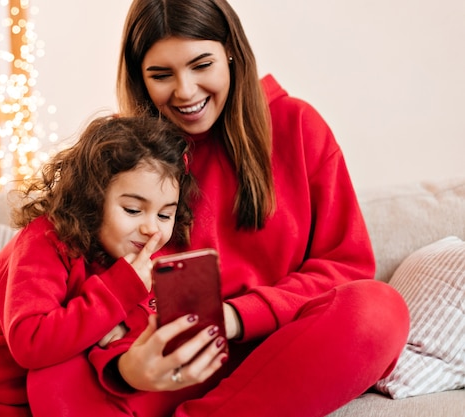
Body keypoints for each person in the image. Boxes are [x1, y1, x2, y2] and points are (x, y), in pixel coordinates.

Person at [26, 1, 410, 416]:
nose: (186, 91)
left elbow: (345, 268)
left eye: (201, 64)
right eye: (160, 74)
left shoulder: (297, 126)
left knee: (379, 311)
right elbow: (91, 276)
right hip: (164, 359)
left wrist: (233, 317)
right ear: (140, 78)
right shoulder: (122, 152)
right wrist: (125, 366)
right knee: (51, 376)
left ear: (231, 52)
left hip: (280, 348)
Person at [0, 114, 197, 416]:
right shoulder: (44, 240)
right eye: (133, 209)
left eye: (164, 215)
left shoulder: (132, 254)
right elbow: (31, 342)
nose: (152, 229)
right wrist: (117, 293)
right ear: (93, 198)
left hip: (30, 397)